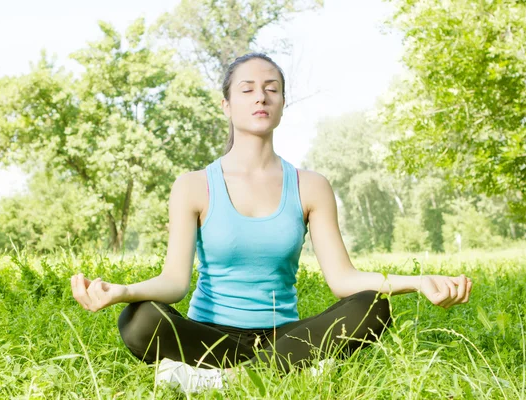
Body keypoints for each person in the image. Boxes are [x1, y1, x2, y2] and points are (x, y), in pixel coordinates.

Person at [70, 52, 473, 394]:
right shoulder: (193, 185)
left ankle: (221, 379)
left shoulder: (311, 186)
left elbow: (344, 280)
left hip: (285, 336)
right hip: (208, 336)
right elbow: (174, 282)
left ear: (281, 104)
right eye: (246, 89)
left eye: (272, 88)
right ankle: (280, 371)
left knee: (372, 306)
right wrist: (123, 291)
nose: (260, 96)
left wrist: (419, 282)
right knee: (139, 319)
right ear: (227, 105)